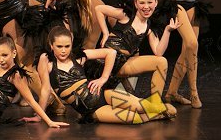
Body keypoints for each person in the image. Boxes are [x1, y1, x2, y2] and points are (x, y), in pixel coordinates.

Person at [37, 27, 176, 124]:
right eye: (59, 46)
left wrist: (103, 79)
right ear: (51, 45)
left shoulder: (79, 57)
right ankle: (160, 114)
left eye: (67, 46)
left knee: (139, 107)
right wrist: (39, 115)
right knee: (133, 118)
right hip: (93, 110)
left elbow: (111, 53)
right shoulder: (47, 61)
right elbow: (45, 89)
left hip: (104, 94)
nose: (63, 50)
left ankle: (161, 108)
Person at [87, 0, 180, 101]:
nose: (146, 7)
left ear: (156, 3)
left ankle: (155, 102)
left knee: (161, 61)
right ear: (136, 4)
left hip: (123, 64)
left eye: (150, 2)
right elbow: (99, 9)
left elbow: (158, 52)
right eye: (142, 3)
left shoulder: (149, 28)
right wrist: (105, 32)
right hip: (106, 63)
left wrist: (167, 31)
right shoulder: (125, 16)